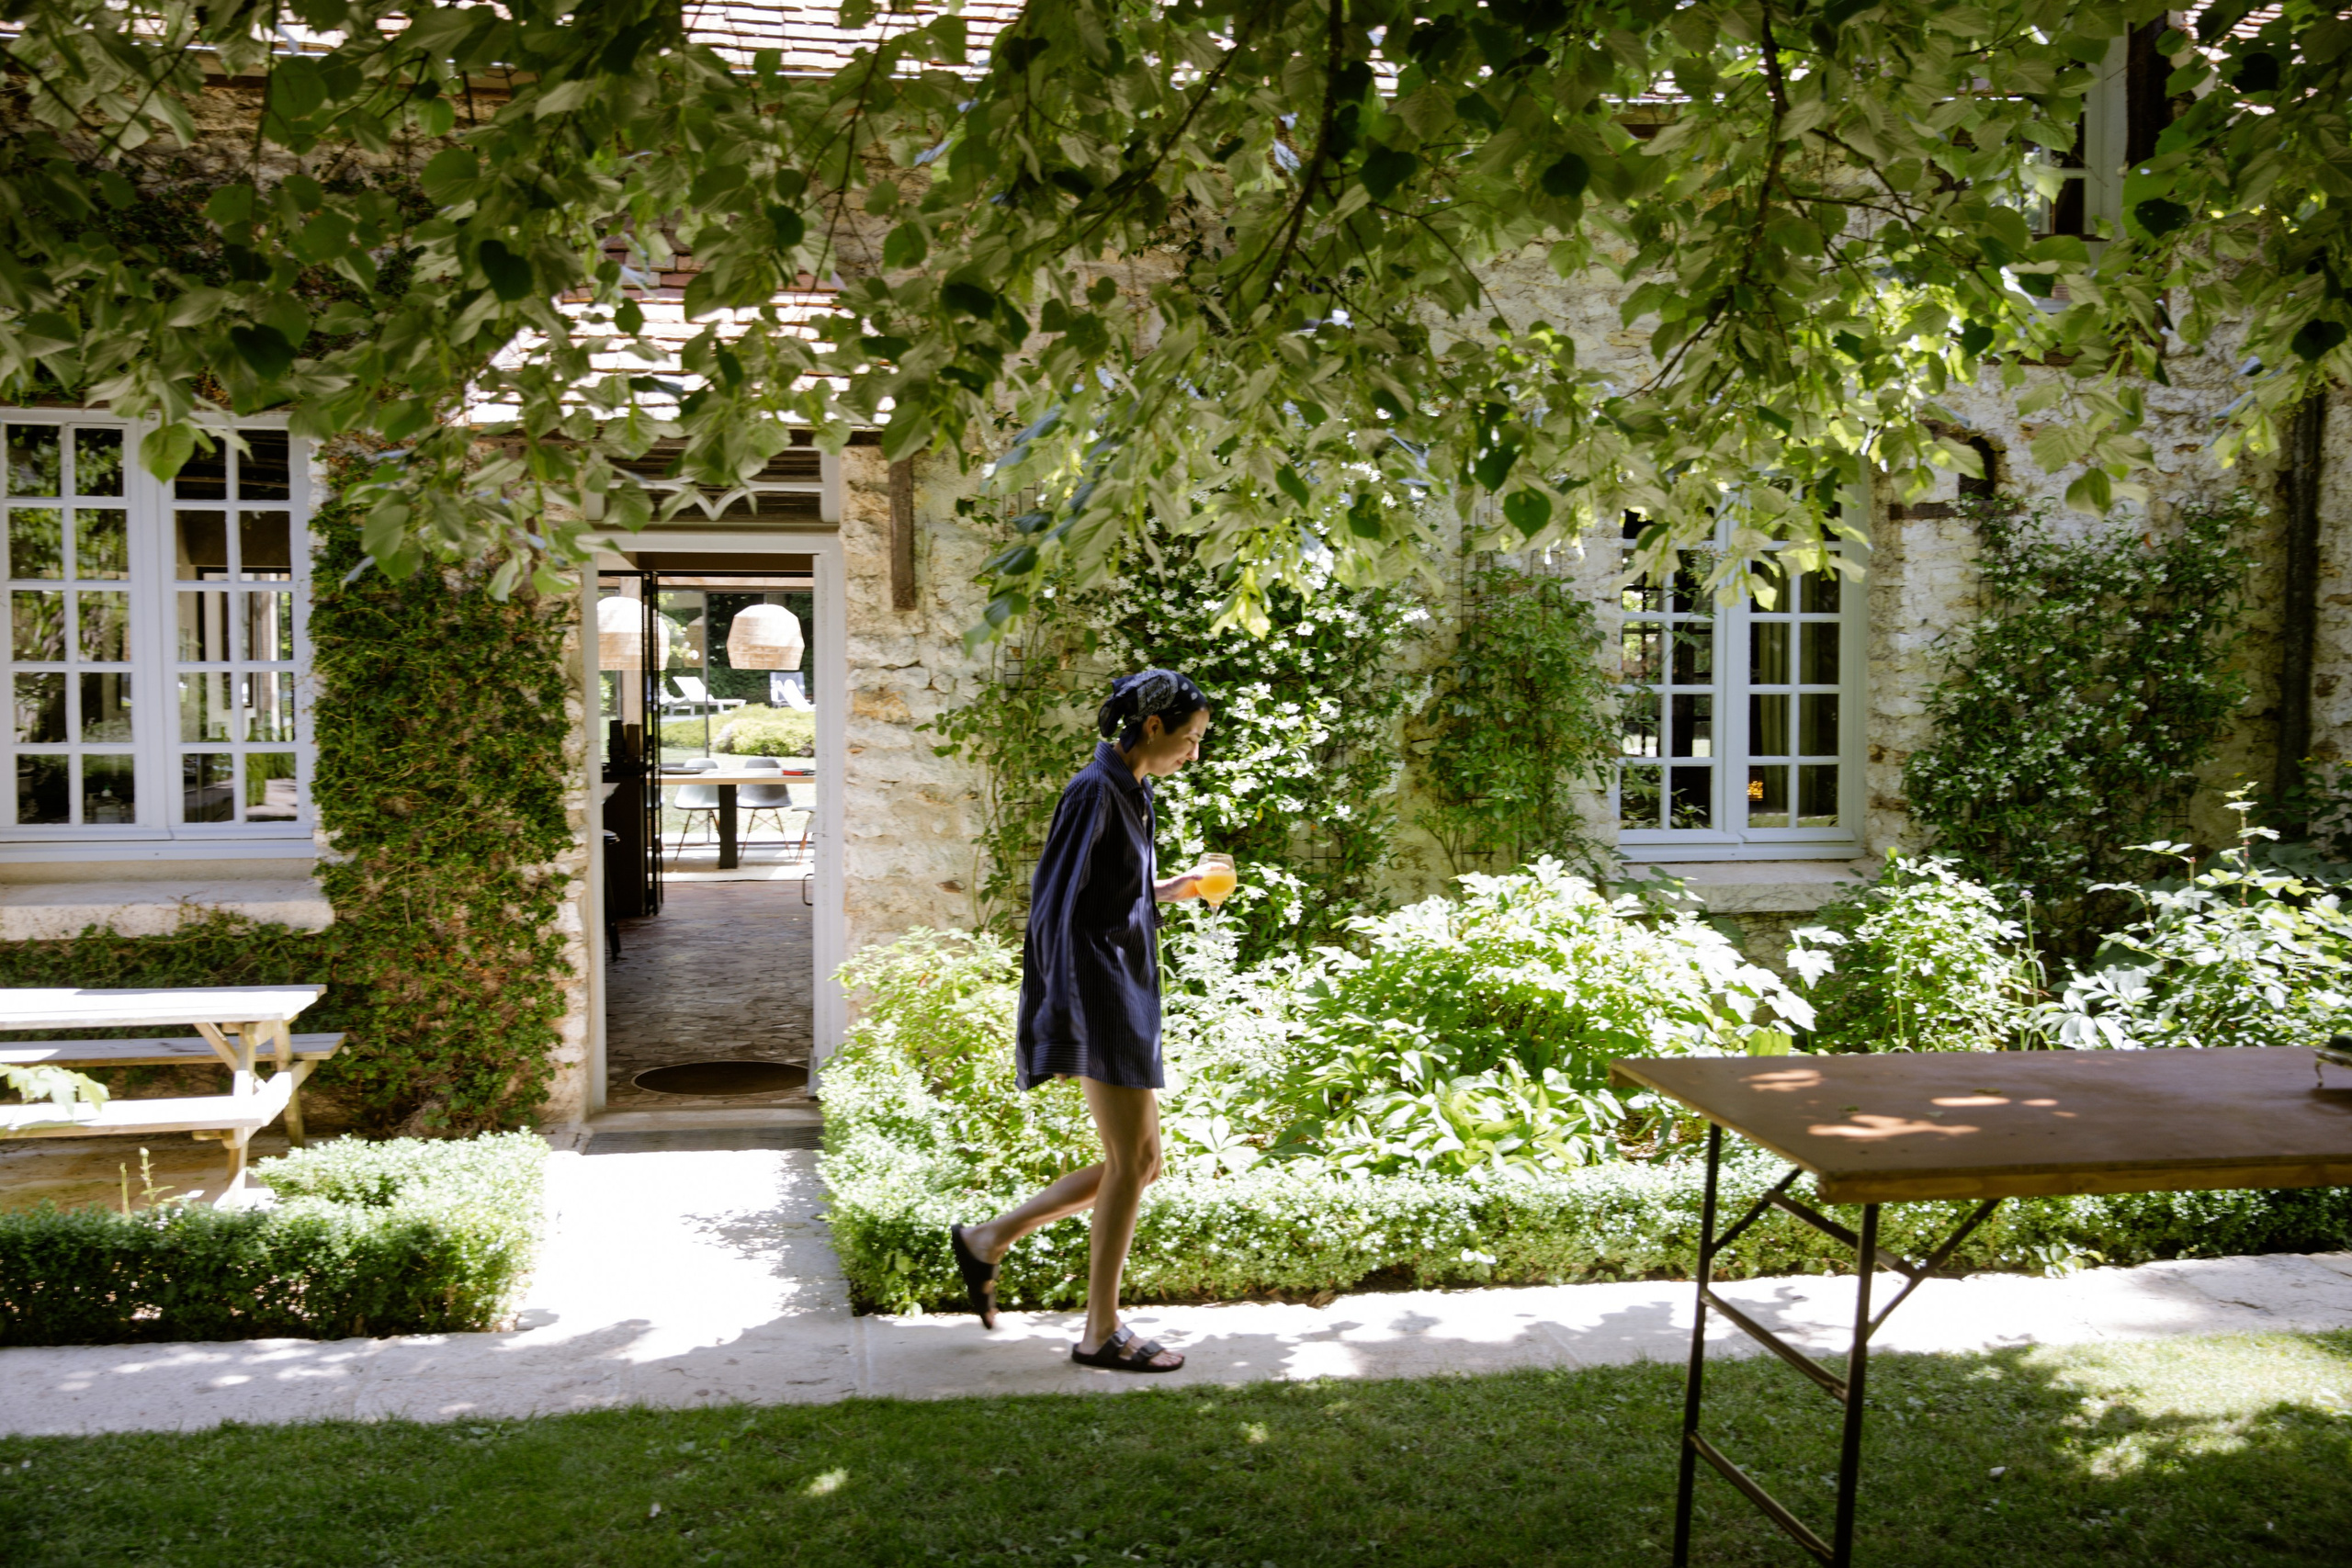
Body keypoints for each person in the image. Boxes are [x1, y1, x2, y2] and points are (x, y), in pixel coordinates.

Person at [949, 668, 1227, 1373]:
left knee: (1142, 1163)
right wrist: (1066, 1013)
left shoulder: (1134, 789)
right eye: (1190, 739)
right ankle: (1099, 1331)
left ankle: (988, 1238)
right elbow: (1055, 911)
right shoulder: (1093, 791)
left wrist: (1174, 887)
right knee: (1132, 1162)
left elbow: (1113, 895)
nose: (1194, 753)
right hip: (1100, 997)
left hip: (1124, 992)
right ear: (1154, 727)